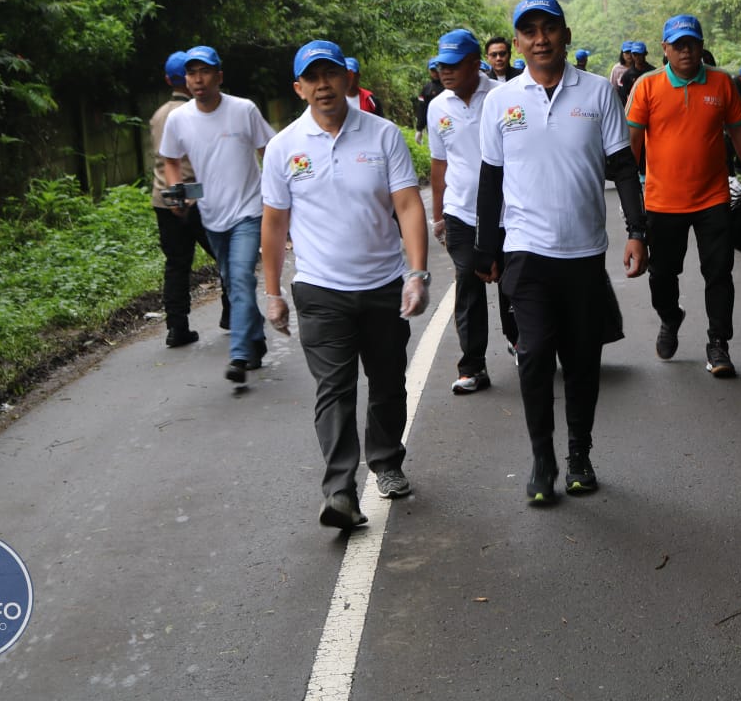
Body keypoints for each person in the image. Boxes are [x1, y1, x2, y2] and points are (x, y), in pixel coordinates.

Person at [475, 0, 648, 505]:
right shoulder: (500, 101)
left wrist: (637, 231)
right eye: (529, 31)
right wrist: (487, 246)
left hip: (584, 252)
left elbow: (622, 167)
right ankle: (541, 457)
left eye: (549, 28)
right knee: (532, 357)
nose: (540, 38)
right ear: (517, 42)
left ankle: (579, 454)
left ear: (566, 35)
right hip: (526, 251)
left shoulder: (597, 93)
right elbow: (491, 178)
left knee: (581, 359)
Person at [260, 39, 431, 530]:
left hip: (381, 285)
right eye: (311, 78)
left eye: (329, 74)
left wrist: (416, 273)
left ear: (347, 79)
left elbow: (407, 205)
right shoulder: (283, 147)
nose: (322, 85)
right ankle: (339, 491)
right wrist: (273, 293)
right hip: (319, 290)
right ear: (299, 88)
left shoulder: (382, 136)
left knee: (387, 382)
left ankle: (386, 460)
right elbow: (274, 224)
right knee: (334, 389)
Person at [626, 14, 741, 378]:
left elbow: (740, 136)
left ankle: (719, 343)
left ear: (702, 47)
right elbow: (632, 148)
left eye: (692, 43)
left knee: (719, 273)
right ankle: (671, 317)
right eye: (679, 45)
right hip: (662, 201)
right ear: (665, 49)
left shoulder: (721, 84)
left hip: (712, 198)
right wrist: (631, 204)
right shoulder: (646, 86)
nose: (686, 51)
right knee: (662, 275)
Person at [159, 45, 276, 388]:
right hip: (211, 215)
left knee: (239, 278)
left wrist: (276, 197)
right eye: (192, 73)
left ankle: (239, 354)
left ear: (219, 76)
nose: (198, 79)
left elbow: (268, 151)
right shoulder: (178, 119)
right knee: (232, 280)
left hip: (249, 211)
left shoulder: (244, 110)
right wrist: (175, 190)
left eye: (205, 71)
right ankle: (256, 342)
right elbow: (169, 160)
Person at [426, 28, 518, 394]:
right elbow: (439, 164)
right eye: (440, 66)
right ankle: (473, 366)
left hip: (508, 211)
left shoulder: (502, 97)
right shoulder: (437, 107)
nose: (444, 73)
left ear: (473, 63)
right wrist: (438, 216)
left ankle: (520, 341)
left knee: (512, 283)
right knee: (468, 280)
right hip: (460, 212)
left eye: (452, 65)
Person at [149, 51, 228, 347]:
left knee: (176, 265)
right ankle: (232, 313)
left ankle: (176, 327)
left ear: (169, 80)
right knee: (226, 256)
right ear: (188, 79)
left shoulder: (158, 114)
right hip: (198, 198)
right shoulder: (193, 114)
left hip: (164, 199)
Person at [413, 59, 444, 143]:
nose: (435, 73)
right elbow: (422, 108)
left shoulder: (448, 85)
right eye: (432, 70)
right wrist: (419, 128)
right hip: (432, 123)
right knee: (435, 148)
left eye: (437, 70)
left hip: (445, 121)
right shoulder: (427, 88)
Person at [614, 41, 654, 105]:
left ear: (645, 54)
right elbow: (622, 96)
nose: (637, 57)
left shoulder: (653, 72)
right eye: (635, 54)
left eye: (640, 54)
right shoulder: (627, 75)